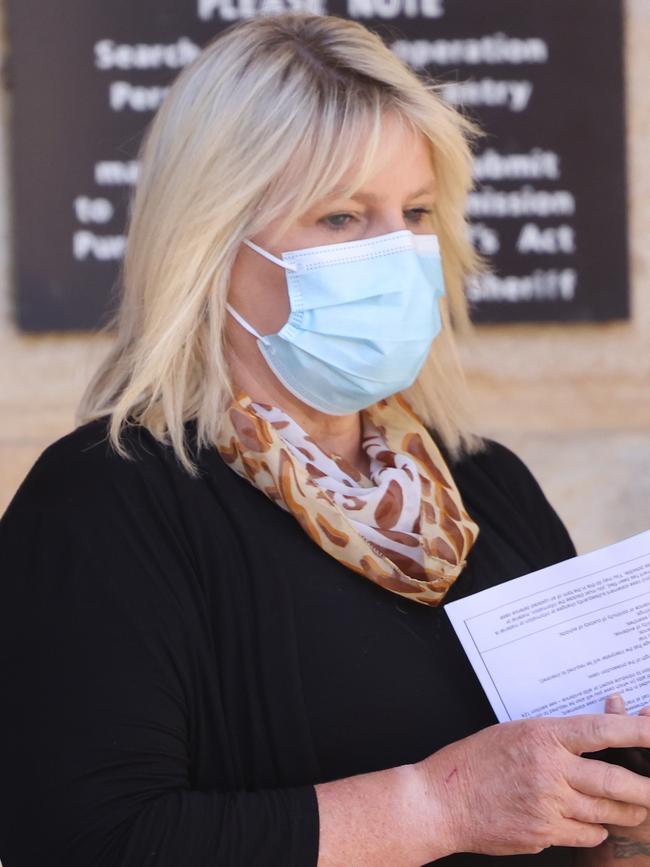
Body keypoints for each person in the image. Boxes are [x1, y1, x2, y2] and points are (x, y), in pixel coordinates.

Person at [1, 12, 649, 867]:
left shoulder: (487, 486)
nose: (395, 249)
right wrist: (435, 807)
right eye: (342, 217)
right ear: (209, 243)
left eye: (415, 210)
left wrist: (627, 817)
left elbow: (591, 811)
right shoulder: (101, 504)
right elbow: (83, 839)